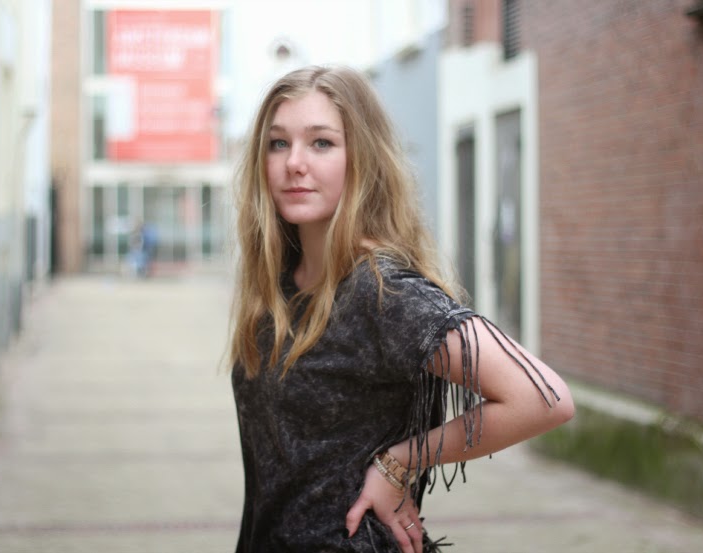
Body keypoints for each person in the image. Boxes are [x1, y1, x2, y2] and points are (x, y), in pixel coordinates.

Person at [229, 65, 575, 553]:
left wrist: (400, 462)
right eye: (278, 143)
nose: (294, 163)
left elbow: (543, 398)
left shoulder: (383, 291)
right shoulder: (279, 288)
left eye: (322, 143)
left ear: (362, 158)